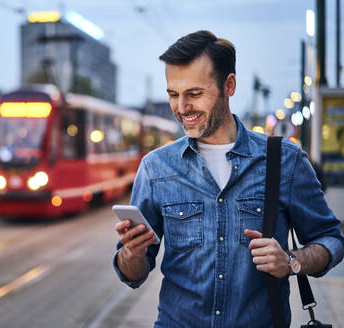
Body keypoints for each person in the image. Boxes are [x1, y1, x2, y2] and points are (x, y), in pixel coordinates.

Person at [113, 30, 344, 327]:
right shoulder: (155, 168)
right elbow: (134, 274)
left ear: (229, 85)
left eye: (195, 94)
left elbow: (332, 240)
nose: (182, 108)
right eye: (173, 94)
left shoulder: (285, 161)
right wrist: (132, 253)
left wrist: (290, 262)